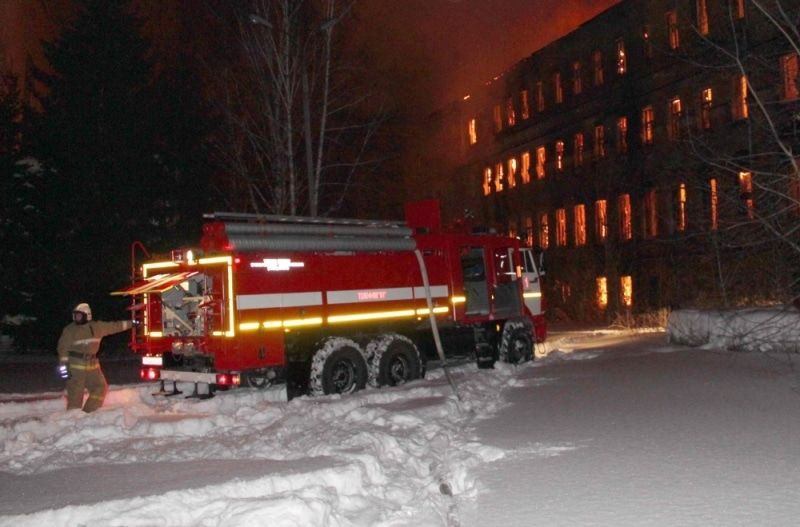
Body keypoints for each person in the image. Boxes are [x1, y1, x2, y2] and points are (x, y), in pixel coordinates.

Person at [56, 303, 133, 412]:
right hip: (76, 365)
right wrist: (63, 365)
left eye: (79, 315)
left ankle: (89, 412)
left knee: (100, 387)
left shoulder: (97, 327)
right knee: (76, 394)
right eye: (75, 315)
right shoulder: (70, 330)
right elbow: (62, 348)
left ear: (87, 315)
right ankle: (72, 419)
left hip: (92, 363)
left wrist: (133, 323)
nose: (76, 318)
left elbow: (115, 326)